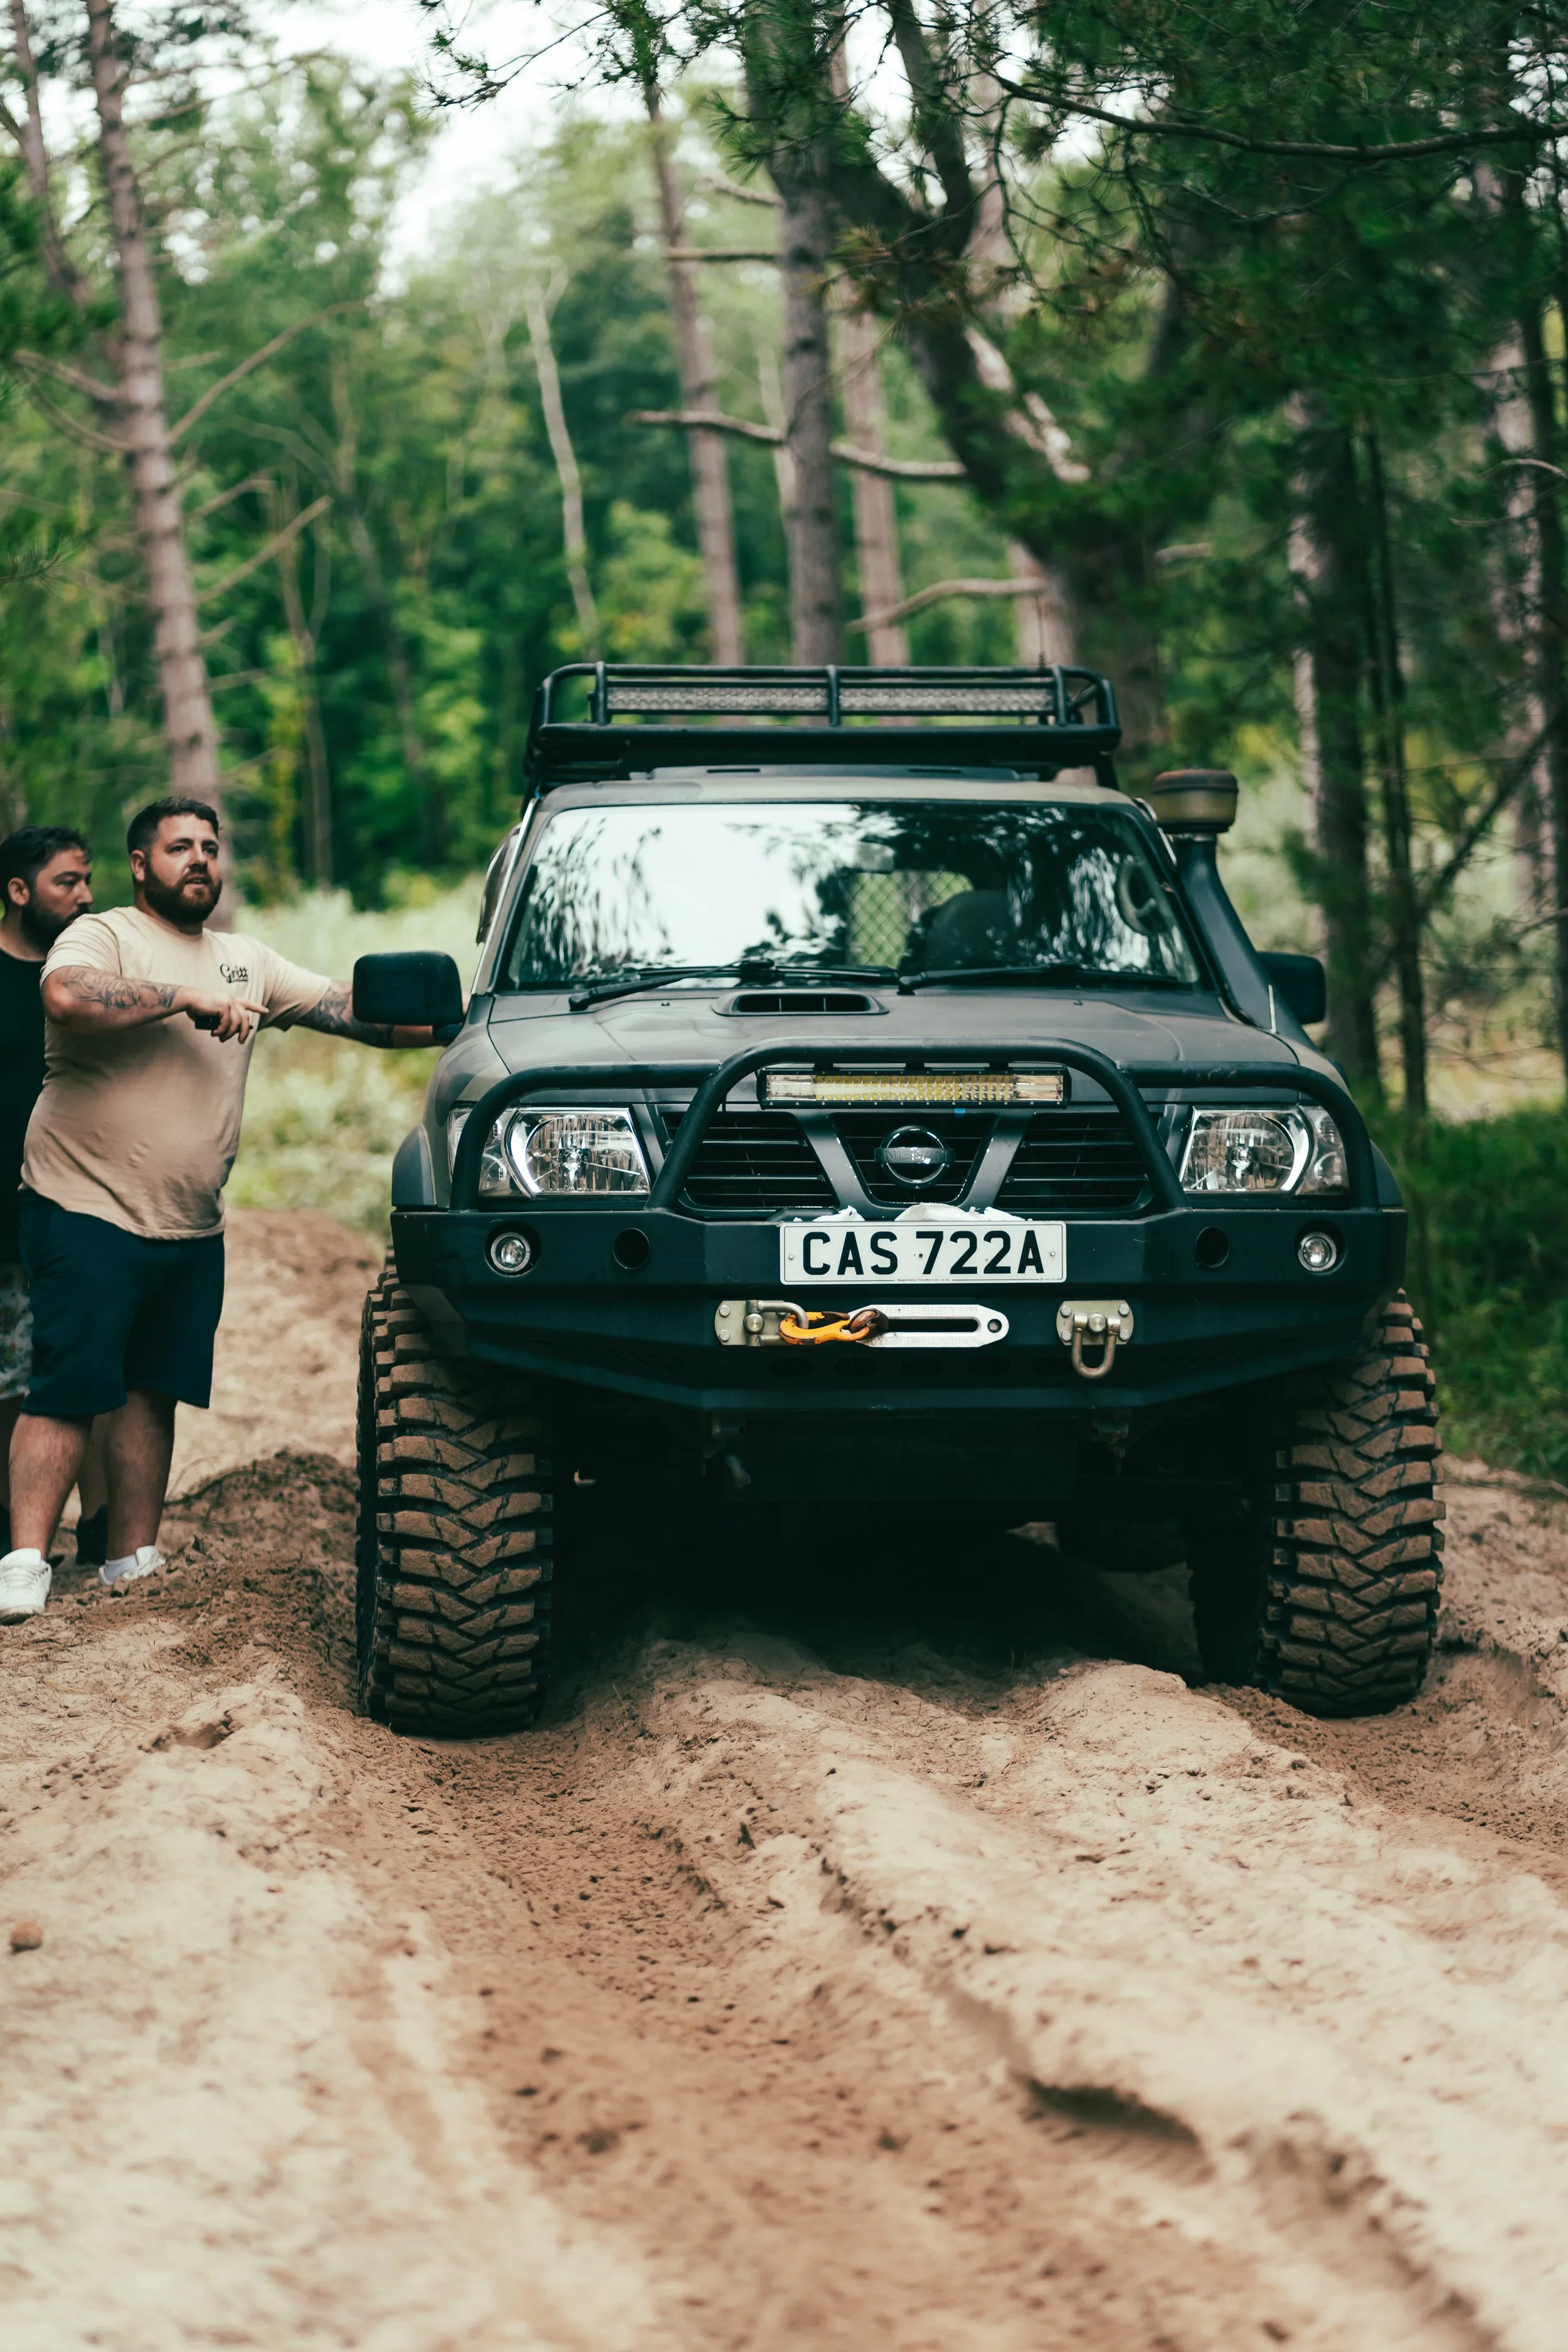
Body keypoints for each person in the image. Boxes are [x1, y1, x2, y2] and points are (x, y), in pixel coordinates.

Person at [0, 796, 433, 1621]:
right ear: (139, 866)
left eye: (210, 846)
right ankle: (24, 1562)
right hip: (82, 1201)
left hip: (190, 1222)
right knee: (63, 1385)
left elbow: (349, 1008)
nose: (199, 859)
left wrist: (458, 1022)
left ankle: (131, 1559)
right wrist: (184, 997)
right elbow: (67, 997)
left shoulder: (247, 958)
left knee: (151, 1390)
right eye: (178, 848)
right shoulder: (101, 934)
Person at [0, 826, 103, 1560]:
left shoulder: (90, 978)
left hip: (79, 1212)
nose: (87, 895)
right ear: (17, 891)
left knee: (80, 1369)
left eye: (86, 879)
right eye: (67, 881)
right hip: (4, 1218)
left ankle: (98, 1529)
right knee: (9, 1379)